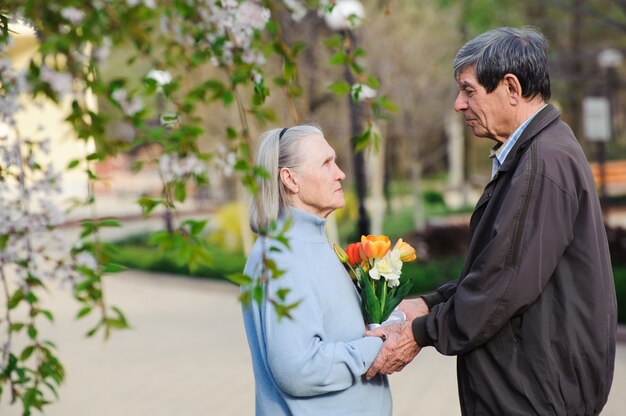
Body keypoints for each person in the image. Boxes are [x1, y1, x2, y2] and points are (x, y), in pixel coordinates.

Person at [366, 26, 617, 415]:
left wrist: (418, 334)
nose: (458, 104)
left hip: (533, 397)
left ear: (511, 88)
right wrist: (429, 304)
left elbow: (500, 284)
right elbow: (498, 270)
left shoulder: (542, 164)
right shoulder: (538, 154)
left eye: (468, 90)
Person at [241, 125, 391, 415]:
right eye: (326, 163)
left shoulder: (311, 244)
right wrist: (373, 347)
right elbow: (298, 369)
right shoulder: (281, 256)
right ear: (290, 179)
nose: (340, 173)